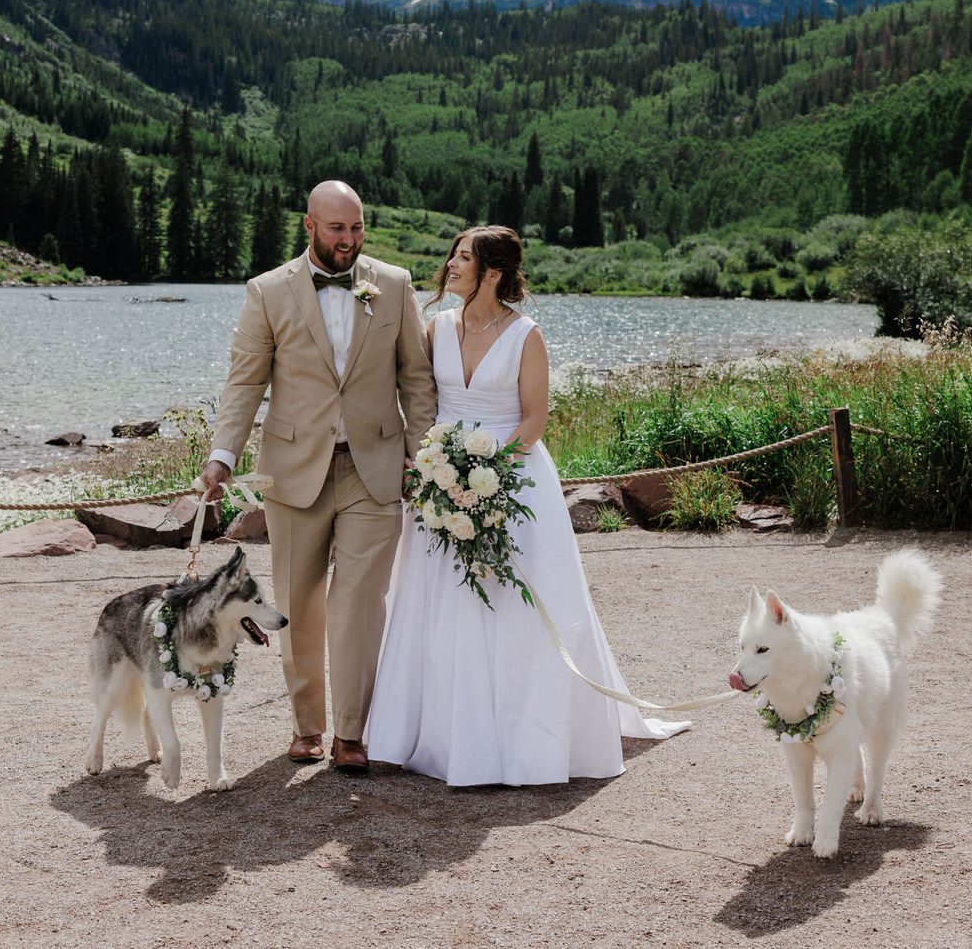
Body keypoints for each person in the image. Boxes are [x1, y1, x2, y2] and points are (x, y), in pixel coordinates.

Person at [365, 225, 690, 785]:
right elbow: (418, 397)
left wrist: (487, 473)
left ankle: (521, 736)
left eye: (464, 258)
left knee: (513, 605)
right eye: (453, 255)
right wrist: (439, 469)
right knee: (436, 601)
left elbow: (533, 421)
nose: (451, 265)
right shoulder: (436, 327)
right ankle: (437, 732)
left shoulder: (525, 335)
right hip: (442, 477)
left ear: (492, 272)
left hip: (512, 477)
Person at [198, 181, 436, 771]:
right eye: (337, 229)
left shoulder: (395, 284)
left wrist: (420, 454)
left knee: (359, 602)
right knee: (297, 604)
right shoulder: (267, 291)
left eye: (356, 229)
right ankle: (307, 726)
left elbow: (416, 380)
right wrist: (222, 455)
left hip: (374, 470)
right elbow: (245, 383)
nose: (349, 241)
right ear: (310, 226)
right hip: (293, 473)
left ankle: (352, 732)